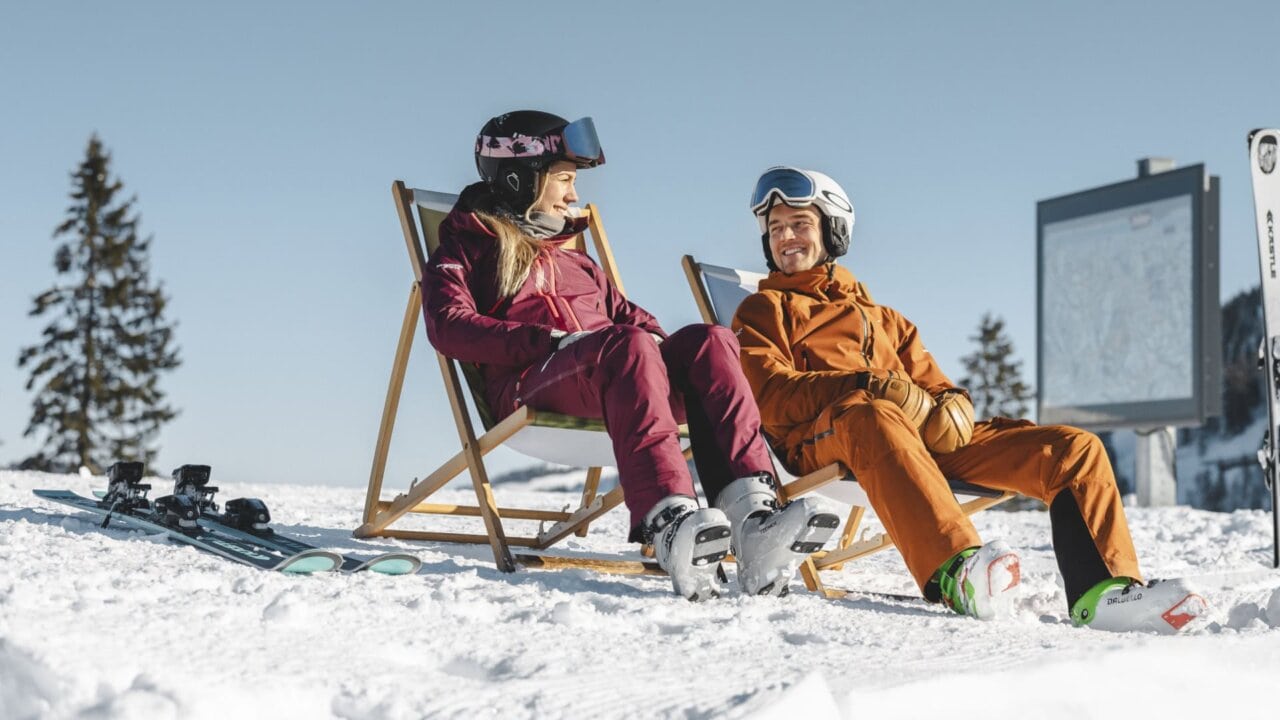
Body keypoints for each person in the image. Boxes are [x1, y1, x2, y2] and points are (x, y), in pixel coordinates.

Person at [730, 165, 1209, 632]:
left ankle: (1101, 594)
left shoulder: (884, 317)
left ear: (832, 231)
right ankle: (956, 571)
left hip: (915, 440)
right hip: (830, 438)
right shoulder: (763, 309)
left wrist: (954, 408)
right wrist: (862, 385)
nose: (786, 237)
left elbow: (935, 383)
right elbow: (769, 395)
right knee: (871, 414)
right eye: (775, 229)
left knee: (1071, 450)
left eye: (800, 224)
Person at [422, 112, 839, 600]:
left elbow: (635, 320)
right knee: (629, 345)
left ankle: (752, 520)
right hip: (530, 387)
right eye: (564, 179)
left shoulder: (576, 258)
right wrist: (551, 342)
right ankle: (669, 521)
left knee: (712, 340)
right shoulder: (465, 249)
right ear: (520, 178)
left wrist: (666, 356)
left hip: (620, 381)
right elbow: (447, 325)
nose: (574, 195)